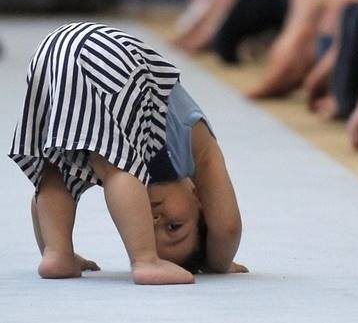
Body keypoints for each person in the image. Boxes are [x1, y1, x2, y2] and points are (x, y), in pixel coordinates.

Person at [9, 22, 246, 284]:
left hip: (53, 51)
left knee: (58, 167)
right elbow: (227, 227)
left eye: (148, 229)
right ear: (199, 198)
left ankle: (56, 253)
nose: (155, 219)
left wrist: (48, 241)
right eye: (174, 227)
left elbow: (45, 190)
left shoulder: (111, 147)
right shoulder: (195, 146)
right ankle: (145, 260)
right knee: (118, 167)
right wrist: (219, 264)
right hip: (109, 55)